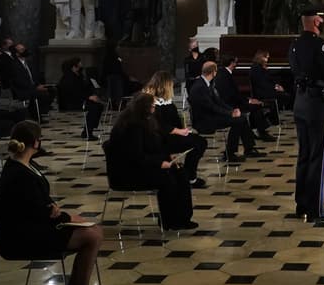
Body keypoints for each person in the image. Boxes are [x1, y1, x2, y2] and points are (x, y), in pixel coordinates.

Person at [0, 121, 103, 285]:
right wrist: (68, 217)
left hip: (36, 226)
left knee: (94, 231)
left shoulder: (26, 165)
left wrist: (57, 210)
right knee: (92, 236)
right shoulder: (19, 174)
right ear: (36, 142)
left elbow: (40, 202)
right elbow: (36, 211)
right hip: (25, 235)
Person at [106, 94, 197, 230]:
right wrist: (160, 163)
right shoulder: (132, 126)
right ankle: (169, 220)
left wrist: (168, 157)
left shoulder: (145, 122)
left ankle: (182, 218)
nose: (154, 109)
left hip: (144, 165)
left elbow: (153, 147)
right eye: (152, 106)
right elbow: (135, 155)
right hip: (129, 172)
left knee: (181, 173)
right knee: (167, 178)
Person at [289, 5, 324, 226]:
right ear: (316, 22)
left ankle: (302, 205)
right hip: (319, 106)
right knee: (319, 158)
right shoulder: (320, 46)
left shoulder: (294, 45)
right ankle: (318, 208)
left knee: (304, 156)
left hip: (300, 104)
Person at [142, 72, 207, 189]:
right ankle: (189, 177)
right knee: (199, 142)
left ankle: (187, 175)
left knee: (199, 142)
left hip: (170, 136)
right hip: (158, 139)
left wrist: (184, 130)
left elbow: (174, 121)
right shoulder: (151, 102)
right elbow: (157, 126)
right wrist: (178, 131)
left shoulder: (167, 102)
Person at [189, 60, 257, 162]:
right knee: (238, 121)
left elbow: (219, 102)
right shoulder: (200, 87)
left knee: (241, 118)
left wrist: (232, 110)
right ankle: (230, 153)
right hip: (205, 120)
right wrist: (230, 114)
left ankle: (249, 148)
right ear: (213, 72)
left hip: (211, 115)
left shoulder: (207, 83)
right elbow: (211, 107)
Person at [57, 57, 104, 140]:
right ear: (74, 67)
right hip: (72, 102)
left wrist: (92, 96)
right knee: (94, 108)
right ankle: (87, 132)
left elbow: (83, 89)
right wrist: (88, 97)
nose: (81, 65)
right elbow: (73, 93)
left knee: (99, 106)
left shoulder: (79, 76)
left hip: (81, 100)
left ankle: (90, 128)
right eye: (79, 64)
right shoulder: (68, 78)